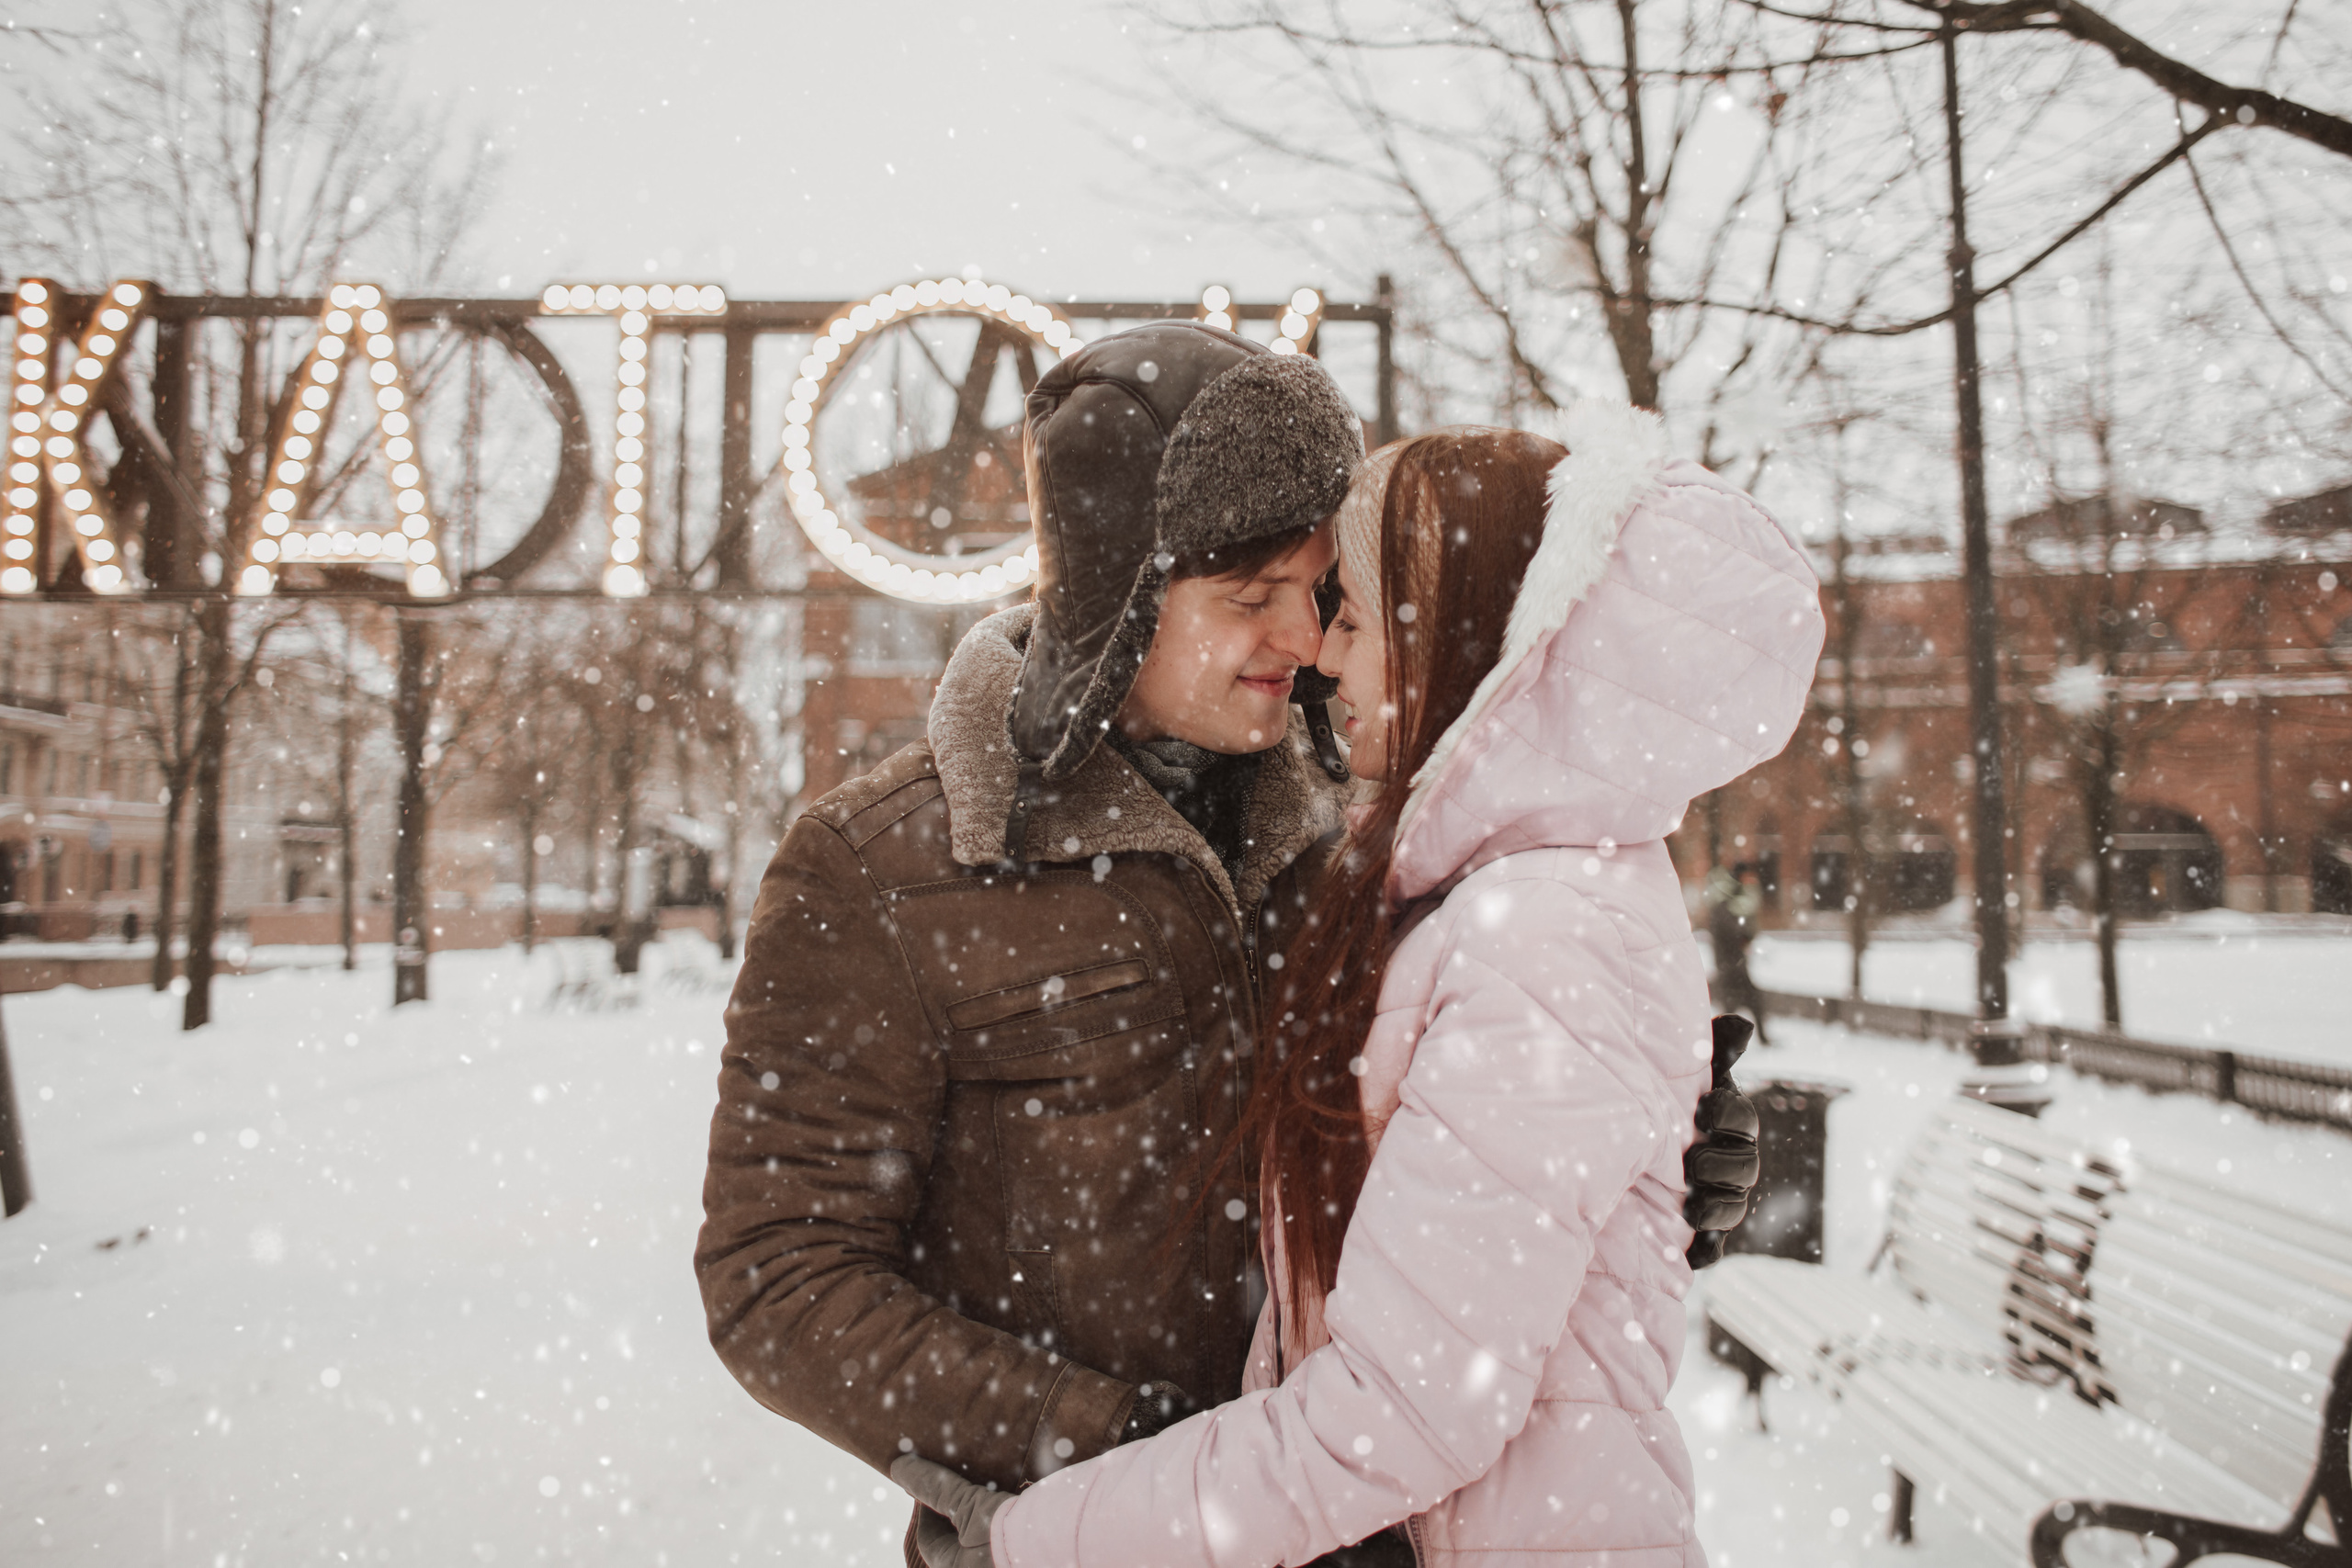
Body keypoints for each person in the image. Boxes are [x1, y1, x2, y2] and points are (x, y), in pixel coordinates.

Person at [895, 409, 1823, 1567]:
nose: (1321, 651)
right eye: (1274, 602)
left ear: (1478, 641)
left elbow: (1401, 1411)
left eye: (1349, 610)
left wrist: (1034, 1542)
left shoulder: (1535, 930)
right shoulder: (1429, 879)